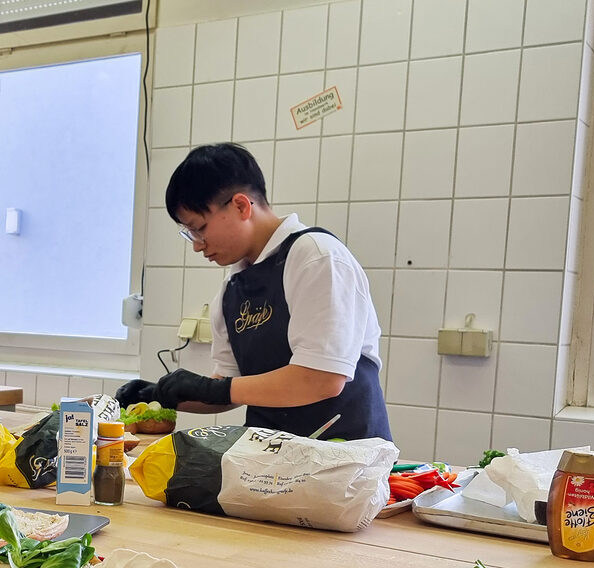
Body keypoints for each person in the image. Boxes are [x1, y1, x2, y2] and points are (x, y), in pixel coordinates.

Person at [118, 144, 392, 442]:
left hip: (343, 461)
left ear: (240, 206)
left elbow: (322, 378)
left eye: (199, 228)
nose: (197, 244)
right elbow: (231, 389)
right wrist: (164, 394)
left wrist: (216, 388)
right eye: (190, 234)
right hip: (268, 460)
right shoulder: (232, 286)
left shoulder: (315, 258)